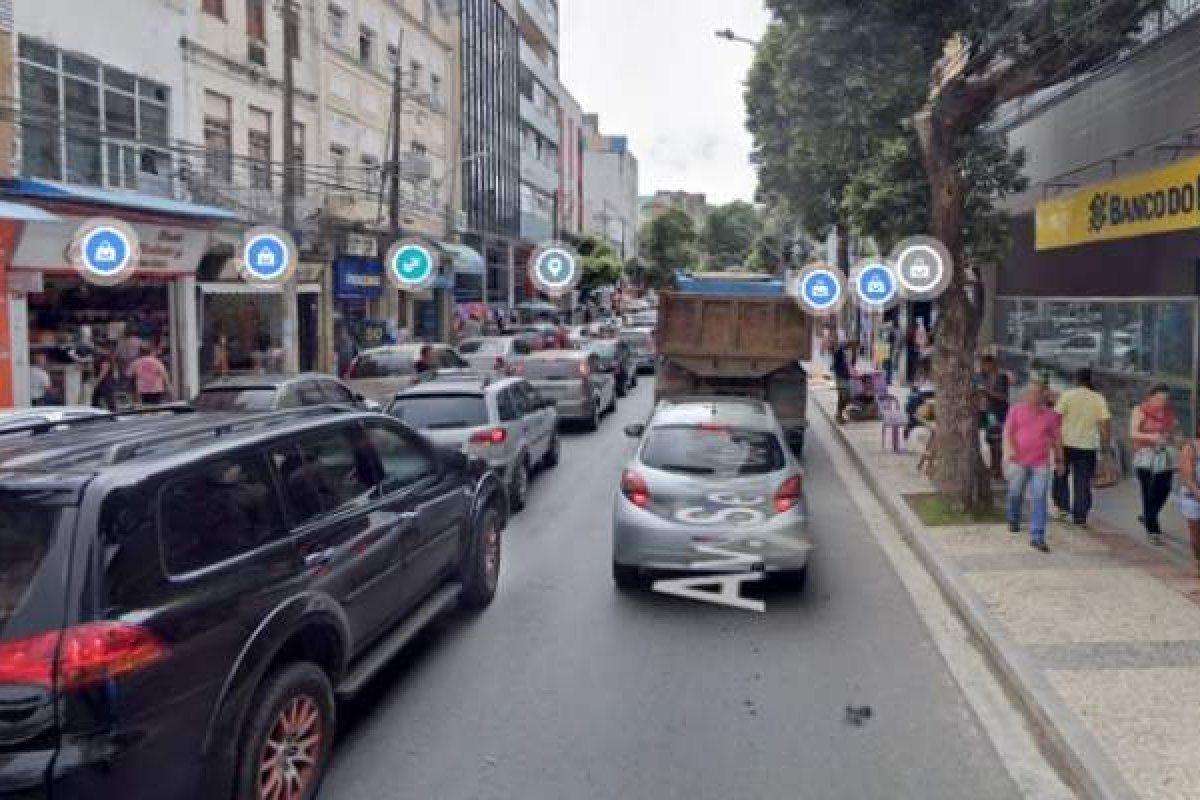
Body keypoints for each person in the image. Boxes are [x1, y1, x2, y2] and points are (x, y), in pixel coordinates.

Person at [1004, 380, 1063, 553]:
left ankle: (1037, 536)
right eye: (1030, 393)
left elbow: (1057, 438)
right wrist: (1010, 450)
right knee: (1015, 493)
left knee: (1039, 497)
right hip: (1019, 461)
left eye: (1037, 393)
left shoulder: (1050, 415)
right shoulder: (1016, 410)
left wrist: (1060, 460)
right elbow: (1008, 431)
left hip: (1040, 463)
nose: (1033, 397)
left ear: (1043, 395)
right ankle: (1013, 519)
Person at [1052, 368, 1112, 527]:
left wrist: (1053, 438)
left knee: (1060, 475)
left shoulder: (1067, 395)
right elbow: (1105, 423)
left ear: (1076, 380)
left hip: (1066, 443)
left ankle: (1062, 506)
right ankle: (1080, 515)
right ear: (1090, 380)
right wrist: (1105, 445)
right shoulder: (1098, 398)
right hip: (1088, 446)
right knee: (1083, 481)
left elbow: (1056, 418)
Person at [1130, 384, 1178, 545]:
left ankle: (1149, 515)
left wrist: (1177, 441)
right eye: (1158, 399)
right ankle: (1153, 530)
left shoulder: (1169, 413)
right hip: (1145, 458)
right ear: (1150, 397)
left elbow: (1174, 433)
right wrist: (1152, 437)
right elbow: (1133, 433)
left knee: (1164, 489)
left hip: (1164, 457)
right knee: (1148, 492)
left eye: (1165, 399)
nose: (1162, 402)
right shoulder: (1140, 411)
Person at [978, 355, 1011, 481]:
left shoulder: (1001, 377)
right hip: (989, 412)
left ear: (992, 364)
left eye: (985, 365)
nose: (983, 368)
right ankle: (993, 467)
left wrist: (987, 392)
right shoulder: (985, 377)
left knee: (997, 442)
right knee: (991, 441)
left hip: (998, 413)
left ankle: (998, 470)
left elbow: (1003, 397)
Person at [1176, 428, 1200, 577]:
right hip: (1192, 498)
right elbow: (1187, 478)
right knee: (1196, 536)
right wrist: (1198, 494)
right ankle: (1198, 560)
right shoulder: (1190, 448)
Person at [831, 340, 858, 424]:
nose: (855, 347)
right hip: (840, 375)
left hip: (848, 376)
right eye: (853, 345)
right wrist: (842, 346)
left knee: (845, 397)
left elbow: (852, 364)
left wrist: (853, 371)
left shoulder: (853, 353)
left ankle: (839, 414)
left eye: (856, 346)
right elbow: (835, 355)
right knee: (844, 396)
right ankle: (839, 415)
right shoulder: (840, 351)